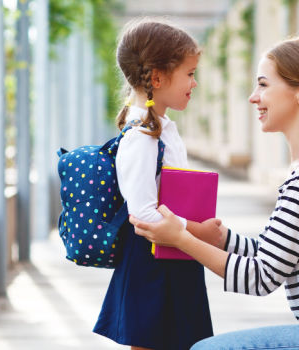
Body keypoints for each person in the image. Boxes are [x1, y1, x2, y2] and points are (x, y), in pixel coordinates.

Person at [130, 37, 299, 350]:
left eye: (263, 85)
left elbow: (260, 277)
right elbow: (273, 253)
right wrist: (221, 238)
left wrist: (181, 239)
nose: (253, 97)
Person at [92, 18, 221, 350]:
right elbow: (143, 215)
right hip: (152, 263)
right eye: (189, 74)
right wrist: (198, 231)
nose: (194, 83)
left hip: (171, 255)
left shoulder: (160, 129)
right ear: (157, 78)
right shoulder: (142, 138)